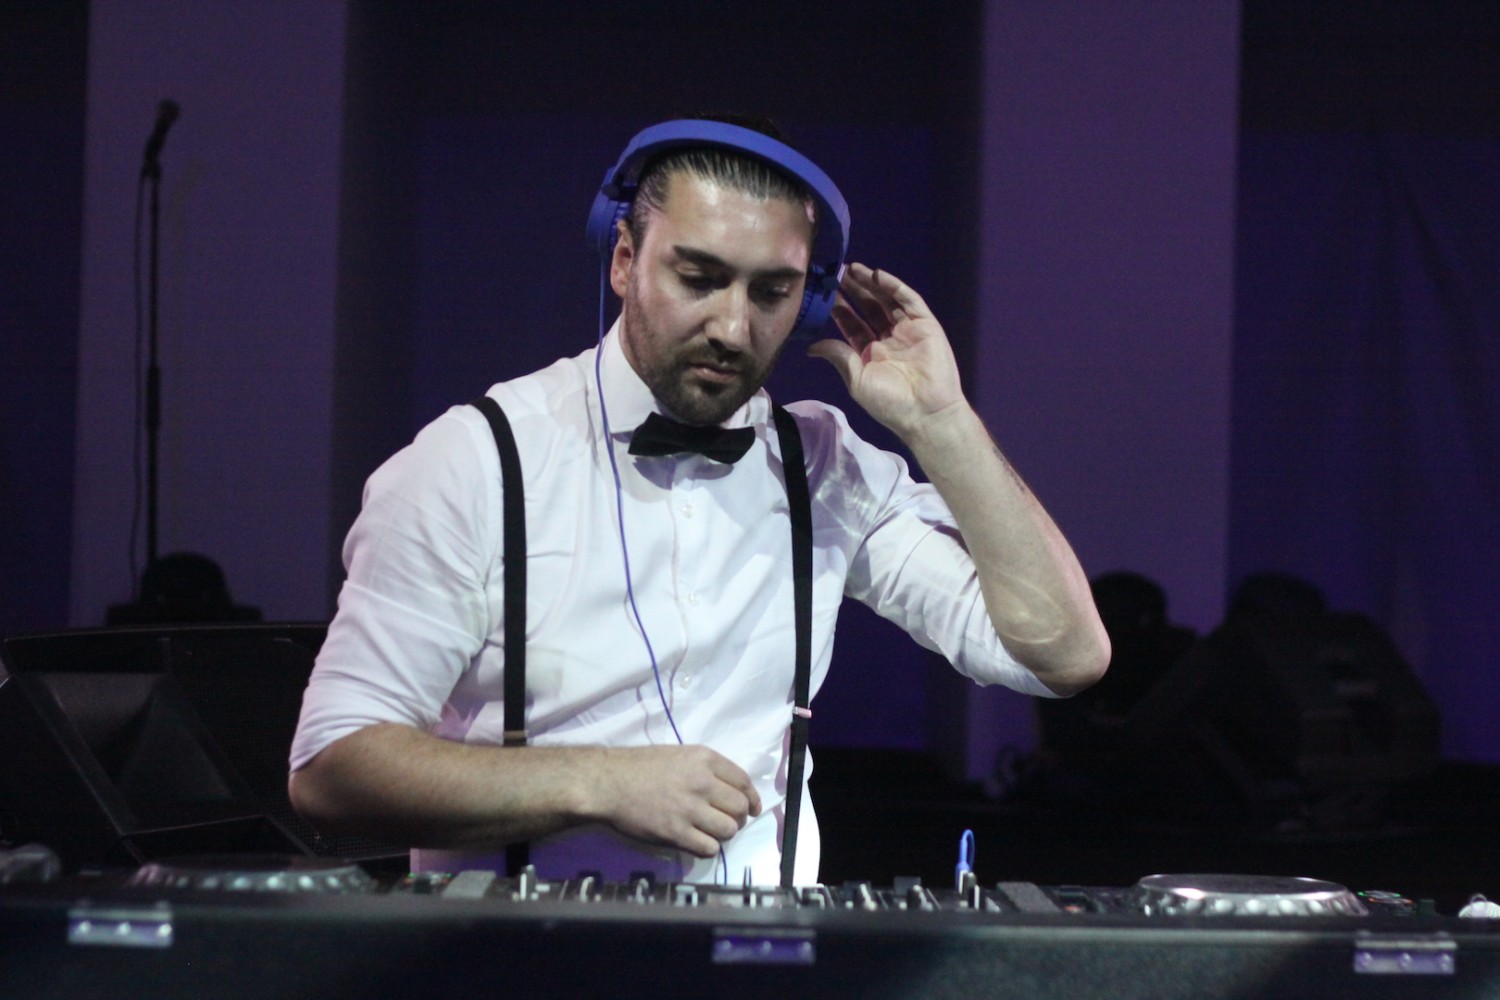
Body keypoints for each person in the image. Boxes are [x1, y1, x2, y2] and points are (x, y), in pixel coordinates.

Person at [287, 118, 1109, 885]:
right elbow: (332, 767)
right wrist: (596, 781)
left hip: (765, 958)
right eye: (700, 278)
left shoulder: (825, 469)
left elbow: (1064, 658)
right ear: (623, 260)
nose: (733, 327)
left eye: (771, 292)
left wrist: (942, 423)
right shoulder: (472, 463)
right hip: (519, 959)